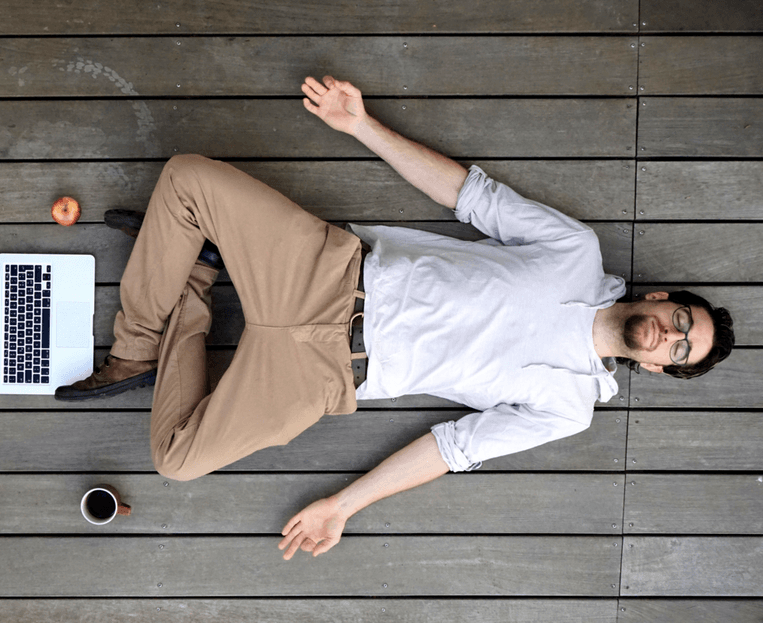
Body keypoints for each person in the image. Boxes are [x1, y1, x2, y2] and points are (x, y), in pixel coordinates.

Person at [55, 75, 735, 561]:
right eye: (681, 318)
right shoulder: (577, 252)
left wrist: (341, 506)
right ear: (660, 298)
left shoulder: (569, 408)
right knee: (186, 177)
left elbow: (452, 447)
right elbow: (472, 196)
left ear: (653, 365)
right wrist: (361, 124)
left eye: (679, 349)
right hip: (330, 271)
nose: (672, 334)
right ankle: (139, 345)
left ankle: (198, 275)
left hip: (328, 374)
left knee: (175, 459)